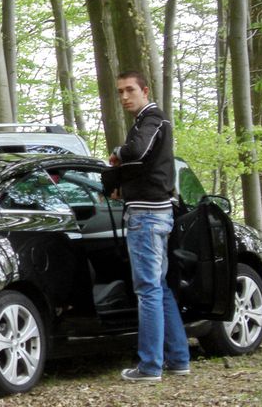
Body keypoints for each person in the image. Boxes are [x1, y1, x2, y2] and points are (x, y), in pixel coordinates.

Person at [109, 71, 189, 382]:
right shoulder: (149, 121)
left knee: (147, 290)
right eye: (120, 92)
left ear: (145, 90)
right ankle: (179, 359)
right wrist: (120, 182)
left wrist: (117, 153)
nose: (125, 96)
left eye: (130, 90)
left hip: (147, 216)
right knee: (160, 288)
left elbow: (137, 151)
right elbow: (144, 165)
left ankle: (150, 366)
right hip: (155, 212)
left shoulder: (151, 119)